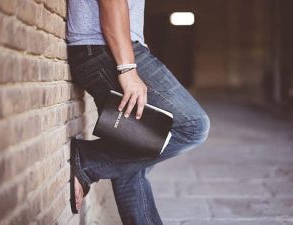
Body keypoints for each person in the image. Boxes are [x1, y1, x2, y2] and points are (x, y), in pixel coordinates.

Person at [66, 0, 211, 224]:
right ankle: (88, 160)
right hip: (104, 50)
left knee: (130, 164)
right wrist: (127, 68)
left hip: (100, 49)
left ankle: (92, 161)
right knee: (193, 126)